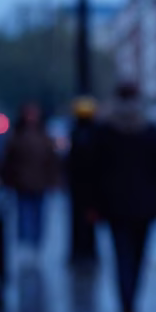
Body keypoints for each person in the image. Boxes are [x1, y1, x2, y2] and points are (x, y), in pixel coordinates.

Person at [94, 82, 156, 312]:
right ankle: (131, 303)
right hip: (144, 205)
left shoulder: (104, 130)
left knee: (121, 257)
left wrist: (94, 205)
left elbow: (94, 172)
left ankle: (127, 307)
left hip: (114, 206)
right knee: (138, 258)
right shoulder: (148, 129)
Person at [0, 102, 59, 253]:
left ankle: (35, 246)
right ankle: (26, 247)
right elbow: (9, 160)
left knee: (38, 216)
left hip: (38, 183)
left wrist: (52, 180)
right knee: (25, 215)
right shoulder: (18, 136)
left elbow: (51, 161)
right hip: (23, 183)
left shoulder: (43, 136)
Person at [66, 96, 100, 266]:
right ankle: (89, 251)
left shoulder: (75, 133)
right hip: (92, 185)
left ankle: (79, 251)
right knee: (90, 220)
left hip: (77, 186)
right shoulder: (96, 132)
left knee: (77, 220)